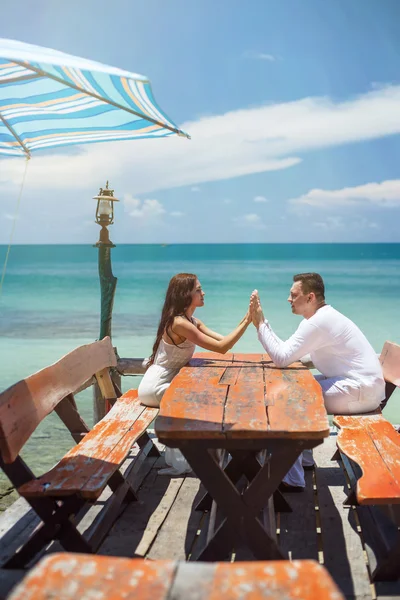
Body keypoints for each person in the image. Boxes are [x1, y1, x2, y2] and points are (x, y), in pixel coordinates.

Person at [250, 272, 385, 491]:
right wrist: (264, 325)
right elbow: (291, 355)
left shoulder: (318, 322)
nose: (288, 299)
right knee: (297, 388)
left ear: (310, 297)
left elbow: (282, 357)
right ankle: (304, 459)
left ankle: (291, 478)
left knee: (290, 399)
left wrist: (260, 324)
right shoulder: (322, 318)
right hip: (362, 387)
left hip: (360, 391)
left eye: (293, 295)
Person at [139, 272, 251, 475]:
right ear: (185, 294)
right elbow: (222, 348)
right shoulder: (179, 324)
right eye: (198, 290)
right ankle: (199, 458)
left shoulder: (192, 321)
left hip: (169, 382)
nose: (203, 292)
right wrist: (248, 320)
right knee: (202, 400)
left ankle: (216, 452)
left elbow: (223, 341)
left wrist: (247, 318)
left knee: (209, 398)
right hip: (156, 386)